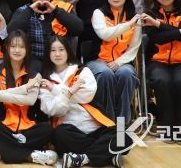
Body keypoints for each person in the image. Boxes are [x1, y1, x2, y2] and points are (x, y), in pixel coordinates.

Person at [39, 36, 126, 168]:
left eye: (61, 49)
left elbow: (87, 96)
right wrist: (71, 91)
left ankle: (83, 158)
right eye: (53, 50)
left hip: (94, 126)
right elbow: (54, 110)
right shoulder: (46, 81)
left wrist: (56, 90)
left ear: (68, 51)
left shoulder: (81, 71)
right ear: (48, 53)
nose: (57, 54)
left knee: (122, 134)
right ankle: (107, 155)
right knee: (59, 134)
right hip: (69, 130)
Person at [0, 30, 56, 165]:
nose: (17, 50)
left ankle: (3, 150)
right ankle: (30, 155)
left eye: (21, 46)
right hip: (4, 126)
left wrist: (2, 94)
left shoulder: (35, 75)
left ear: (27, 50)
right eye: (13, 46)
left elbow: (30, 100)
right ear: (7, 48)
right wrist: (25, 89)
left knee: (48, 130)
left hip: (28, 129)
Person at [140, 0, 181, 142]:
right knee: (162, 80)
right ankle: (167, 128)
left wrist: (158, 25)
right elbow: (157, 39)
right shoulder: (150, 14)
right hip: (157, 61)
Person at [87, 0, 142, 124]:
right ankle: (108, 122)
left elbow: (134, 47)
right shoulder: (99, 13)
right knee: (105, 74)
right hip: (98, 61)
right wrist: (129, 24)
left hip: (123, 62)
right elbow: (105, 35)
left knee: (126, 74)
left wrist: (119, 62)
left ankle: (122, 123)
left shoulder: (134, 17)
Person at [8, 0, 83, 60]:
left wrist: (56, 11)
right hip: (33, 60)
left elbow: (78, 29)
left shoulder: (62, 7)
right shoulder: (23, 10)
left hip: (60, 59)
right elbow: (11, 33)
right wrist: (30, 10)